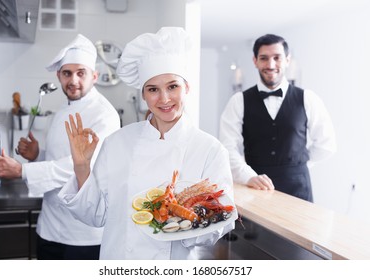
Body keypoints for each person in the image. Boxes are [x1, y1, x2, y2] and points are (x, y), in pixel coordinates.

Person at [58, 27, 237, 260]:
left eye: (173, 86)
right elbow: (95, 216)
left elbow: (222, 219)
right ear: (143, 95)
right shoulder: (117, 143)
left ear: (187, 88)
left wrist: (185, 225)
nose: (164, 99)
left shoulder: (210, 150)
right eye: (153, 89)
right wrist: (81, 166)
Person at [0, 34, 120, 259]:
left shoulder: (105, 115)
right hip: (50, 227)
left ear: (94, 76)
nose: (73, 81)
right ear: (59, 75)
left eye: (81, 73)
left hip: (84, 234)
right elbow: (59, 158)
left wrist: (22, 170)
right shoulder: (62, 110)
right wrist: (37, 155)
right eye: (67, 73)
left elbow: (80, 166)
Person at [219, 34, 336, 202]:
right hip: (254, 190)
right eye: (264, 58)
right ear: (255, 61)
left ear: (287, 60)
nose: (271, 64)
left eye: (277, 58)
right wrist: (248, 176)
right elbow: (227, 148)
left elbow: (327, 144)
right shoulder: (238, 101)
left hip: (299, 191)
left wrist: (299, 165)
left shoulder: (308, 98)